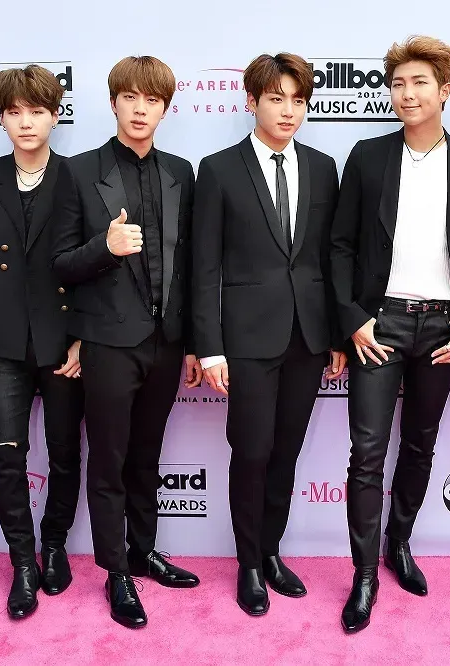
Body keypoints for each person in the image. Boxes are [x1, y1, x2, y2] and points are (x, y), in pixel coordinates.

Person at [329, 35, 450, 633]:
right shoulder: (368, 156)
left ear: (444, 90)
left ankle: (398, 543)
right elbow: (341, 244)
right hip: (381, 323)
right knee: (367, 450)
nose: (406, 94)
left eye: (419, 82)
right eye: (398, 83)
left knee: (420, 444)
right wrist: (353, 318)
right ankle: (364, 574)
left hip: (444, 327)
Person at [51, 55, 202, 629]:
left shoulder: (181, 172)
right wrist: (105, 247)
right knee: (110, 460)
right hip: (109, 342)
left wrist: (193, 342)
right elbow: (59, 263)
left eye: (152, 100)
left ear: (166, 108)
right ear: (113, 102)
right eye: (130, 98)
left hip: (166, 342)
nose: (141, 110)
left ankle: (143, 551)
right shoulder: (78, 171)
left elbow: (191, 266)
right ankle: (115, 571)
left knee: (147, 456)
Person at [192, 52, 345, 617]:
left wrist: (334, 335)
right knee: (252, 452)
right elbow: (204, 266)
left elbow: (329, 258)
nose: (288, 111)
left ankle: (272, 551)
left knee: (285, 452)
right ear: (251, 101)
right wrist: (210, 347)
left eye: (298, 101)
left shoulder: (323, 167)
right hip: (246, 340)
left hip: (307, 337)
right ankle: (249, 564)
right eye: (277, 99)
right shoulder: (218, 169)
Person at [0, 64, 84, 620]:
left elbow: (91, 268)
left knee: (64, 453)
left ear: (55, 115)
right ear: (1, 119)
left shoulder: (77, 175)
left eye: (37, 111)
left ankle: (54, 546)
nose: (26, 122)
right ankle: (23, 563)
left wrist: (82, 339)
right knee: (7, 457)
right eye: (14, 112)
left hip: (62, 344)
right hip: (2, 344)